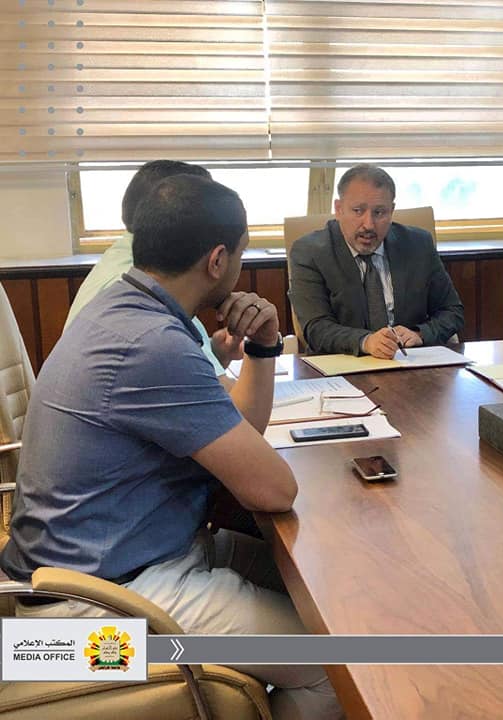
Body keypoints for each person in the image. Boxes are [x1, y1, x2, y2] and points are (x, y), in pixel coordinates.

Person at [0, 174, 341, 719]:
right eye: (241, 254)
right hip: (92, 612)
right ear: (217, 260)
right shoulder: (151, 344)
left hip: (116, 559)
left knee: (325, 584)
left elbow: (240, 434)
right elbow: (275, 490)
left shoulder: (127, 309)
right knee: (337, 667)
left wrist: (263, 347)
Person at [65, 160, 242, 381]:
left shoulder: (122, 270)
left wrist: (216, 354)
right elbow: (233, 402)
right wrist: (264, 346)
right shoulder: (152, 300)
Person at [288, 164, 464, 358]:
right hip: (342, 365)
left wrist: (420, 334)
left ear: (391, 211)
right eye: (358, 211)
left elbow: (452, 311)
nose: (369, 225)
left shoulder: (418, 245)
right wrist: (366, 341)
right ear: (338, 209)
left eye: (379, 212)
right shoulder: (310, 252)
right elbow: (316, 328)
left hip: (408, 362)